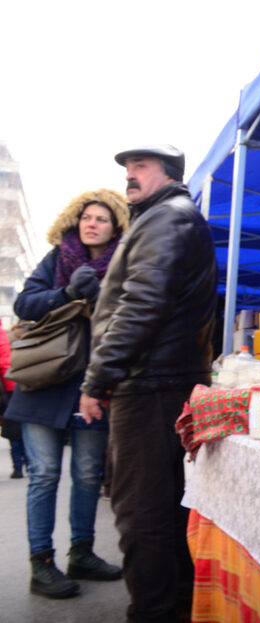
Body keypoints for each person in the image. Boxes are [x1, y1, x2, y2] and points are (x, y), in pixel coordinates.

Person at [78, 144, 217, 623]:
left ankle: (154, 613)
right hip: (163, 383)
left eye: (141, 167)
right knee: (163, 511)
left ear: (168, 173)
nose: (130, 176)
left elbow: (141, 306)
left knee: (144, 516)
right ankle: (173, 609)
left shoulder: (167, 218)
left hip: (154, 386)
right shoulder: (167, 218)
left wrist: (97, 379)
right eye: (127, 168)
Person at [4, 188, 129, 599]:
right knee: (44, 475)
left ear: (115, 229)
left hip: (92, 385)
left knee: (88, 475)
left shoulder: (123, 265)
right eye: (87, 217)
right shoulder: (58, 258)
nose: (91, 224)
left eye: (101, 219)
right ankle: (41, 565)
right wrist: (68, 293)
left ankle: (82, 554)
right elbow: (25, 303)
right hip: (44, 384)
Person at [0, 318, 25, 478]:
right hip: (10, 388)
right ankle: (22, 465)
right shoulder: (2, 333)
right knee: (17, 429)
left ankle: (18, 466)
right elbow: (5, 363)